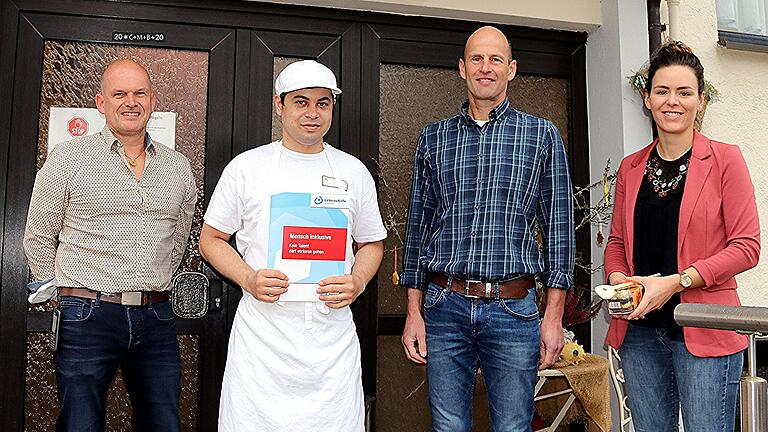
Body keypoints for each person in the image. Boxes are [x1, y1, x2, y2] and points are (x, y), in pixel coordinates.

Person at [400, 26, 575, 432]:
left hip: (513, 310)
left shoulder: (542, 136)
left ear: (511, 69)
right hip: (445, 307)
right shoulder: (433, 138)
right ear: (462, 68)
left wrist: (553, 317)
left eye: (495, 59)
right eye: (476, 59)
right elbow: (417, 231)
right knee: (447, 426)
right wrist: (414, 311)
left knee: (514, 426)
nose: (485, 67)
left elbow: (560, 232)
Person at [199, 59, 386, 432]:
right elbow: (211, 240)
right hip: (263, 340)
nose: (313, 114)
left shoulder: (353, 172)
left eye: (323, 103)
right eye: (301, 102)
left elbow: (371, 244)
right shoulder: (247, 168)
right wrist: (249, 279)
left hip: (330, 341)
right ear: (279, 105)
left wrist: (358, 281)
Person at [24, 58, 197, 431]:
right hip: (86, 315)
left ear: (153, 101)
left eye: (139, 93)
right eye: (119, 93)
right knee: (81, 424)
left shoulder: (179, 166)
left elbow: (178, 239)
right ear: (102, 103)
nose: (130, 101)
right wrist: (61, 297)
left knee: (164, 423)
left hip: (156, 317)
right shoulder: (69, 158)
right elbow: (38, 235)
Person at [604, 41, 760, 432]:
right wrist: (621, 283)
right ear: (647, 99)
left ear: (701, 101)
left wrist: (676, 282)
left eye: (684, 92)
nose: (672, 101)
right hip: (639, 335)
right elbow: (618, 244)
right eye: (662, 91)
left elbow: (747, 247)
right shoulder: (631, 168)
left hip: (704, 328)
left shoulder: (726, 160)